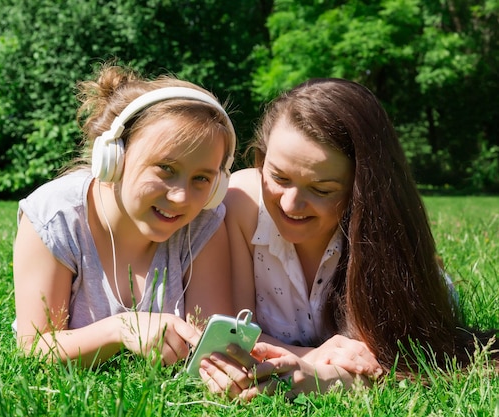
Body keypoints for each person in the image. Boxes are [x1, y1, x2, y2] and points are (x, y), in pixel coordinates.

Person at [198, 78, 498, 400]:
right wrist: (312, 358)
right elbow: (234, 335)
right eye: (279, 177)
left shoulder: (382, 237)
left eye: (321, 190)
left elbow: (414, 363)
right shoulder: (240, 203)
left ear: (362, 190)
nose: (290, 205)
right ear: (261, 159)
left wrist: (330, 379)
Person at [12, 64, 236, 367]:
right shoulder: (56, 217)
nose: (181, 197)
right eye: (166, 169)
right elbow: (36, 346)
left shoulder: (203, 223)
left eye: (202, 179)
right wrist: (122, 328)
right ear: (114, 158)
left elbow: (208, 344)